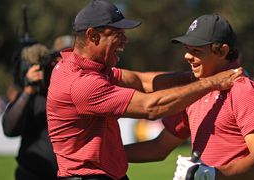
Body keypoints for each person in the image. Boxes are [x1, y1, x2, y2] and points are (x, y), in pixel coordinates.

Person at [46, 1, 242, 180]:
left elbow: (143, 81)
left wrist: (194, 77)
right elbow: (151, 107)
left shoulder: (94, 69)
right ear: (92, 35)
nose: (125, 41)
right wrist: (212, 82)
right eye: (118, 34)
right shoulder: (82, 83)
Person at [125, 14, 254, 180]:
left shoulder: (243, 90)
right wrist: (107, 155)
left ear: (223, 51)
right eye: (187, 49)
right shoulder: (197, 89)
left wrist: (212, 175)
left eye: (196, 50)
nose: (187, 56)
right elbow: (159, 148)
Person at [2, 43, 59, 180]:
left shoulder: (69, 94)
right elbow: (9, 129)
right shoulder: (32, 95)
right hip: (31, 174)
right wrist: (29, 89)